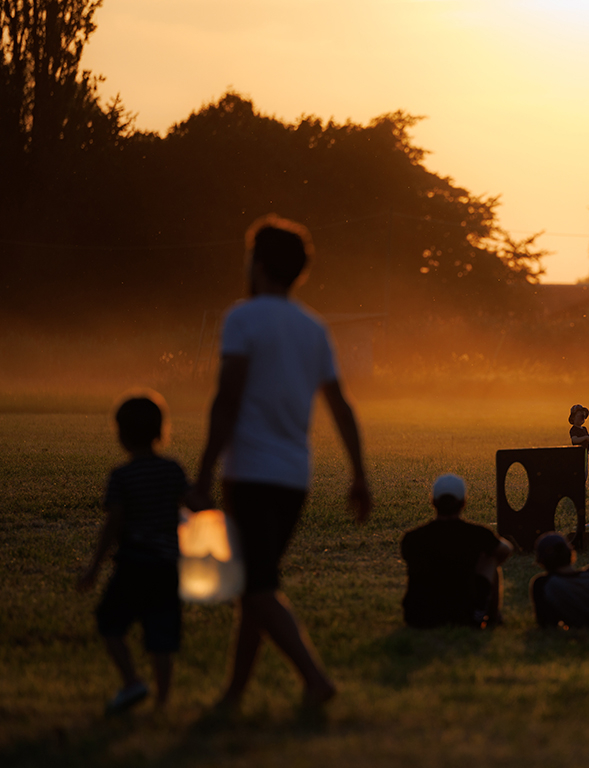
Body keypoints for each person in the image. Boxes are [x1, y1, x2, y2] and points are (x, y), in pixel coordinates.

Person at [187, 215, 372, 711]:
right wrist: (359, 475)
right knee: (257, 581)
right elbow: (341, 405)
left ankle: (314, 678)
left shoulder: (242, 318)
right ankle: (234, 695)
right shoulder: (313, 328)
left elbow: (227, 399)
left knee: (256, 583)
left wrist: (203, 473)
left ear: (261, 264)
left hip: (249, 473)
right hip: (294, 479)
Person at [77, 392, 189, 715]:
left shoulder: (121, 477)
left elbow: (113, 524)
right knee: (162, 635)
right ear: (160, 432)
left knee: (109, 622)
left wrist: (94, 568)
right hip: (167, 568)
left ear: (121, 435)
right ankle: (163, 702)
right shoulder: (173, 470)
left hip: (133, 564)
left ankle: (131, 680)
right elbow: (192, 503)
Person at [400, 474, 513, 628]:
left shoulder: (411, 538)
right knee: (490, 559)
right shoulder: (478, 535)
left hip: (418, 616)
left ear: (433, 502)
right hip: (464, 616)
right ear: (463, 503)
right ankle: (492, 617)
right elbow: (506, 549)